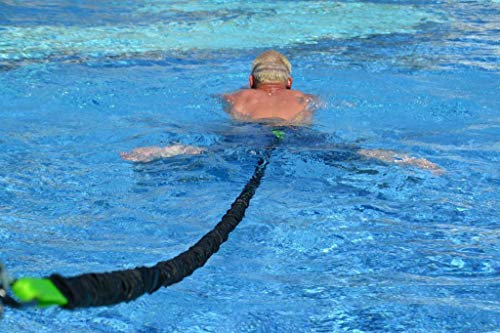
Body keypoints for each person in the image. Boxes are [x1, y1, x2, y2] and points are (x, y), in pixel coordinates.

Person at [120, 50, 442, 174]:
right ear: (289, 81)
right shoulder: (306, 97)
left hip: (248, 133)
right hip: (298, 134)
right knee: (348, 153)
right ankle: (399, 159)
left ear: (251, 80)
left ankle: (167, 152)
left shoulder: (234, 96)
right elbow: (347, 106)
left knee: (209, 150)